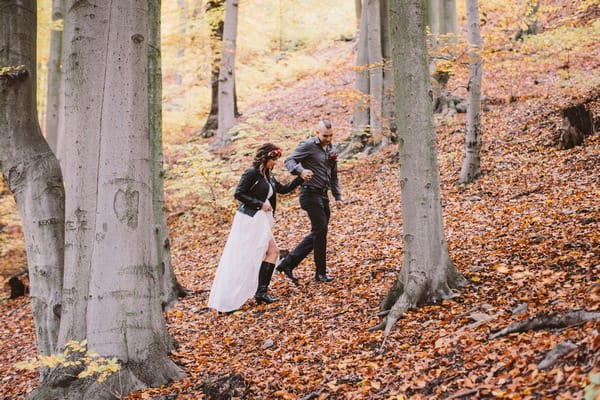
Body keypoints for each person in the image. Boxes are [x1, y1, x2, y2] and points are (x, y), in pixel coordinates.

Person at [208, 143, 302, 312]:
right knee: (250, 255)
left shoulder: (269, 176)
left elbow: (282, 189)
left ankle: (261, 292)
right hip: (249, 219)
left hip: (261, 220)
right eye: (273, 160)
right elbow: (239, 193)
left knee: (272, 252)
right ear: (265, 158)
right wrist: (259, 204)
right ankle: (232, 298)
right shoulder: (251, 173)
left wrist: (301, 178)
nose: (275, 163)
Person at [276, 119, 344, 283]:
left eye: (331, 135)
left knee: (319, 232)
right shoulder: (308, 146)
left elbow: (333, 175)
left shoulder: (331, 149)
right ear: (317, 133)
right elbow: (289, 160)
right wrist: (300, 171)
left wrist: (337, 196)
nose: (328, 138)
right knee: (320, 230)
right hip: (309, 194)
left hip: (323, 195)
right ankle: (320, 273)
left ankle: (288, 263)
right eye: (325, 135)